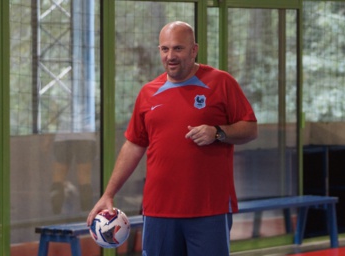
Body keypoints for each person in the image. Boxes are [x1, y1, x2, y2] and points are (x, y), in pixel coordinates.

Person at [87, 21, 257, 255]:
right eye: (165, 49)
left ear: (194, 50)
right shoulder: (148, 92)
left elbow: (249, 128)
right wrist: (108, 194)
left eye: (178, 48)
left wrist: (218, 132)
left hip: (209, 209)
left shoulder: (221, 82)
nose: (170, 56)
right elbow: (134, 145)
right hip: (159, 211)